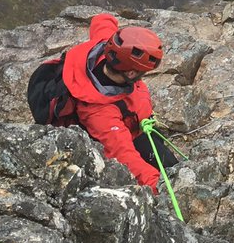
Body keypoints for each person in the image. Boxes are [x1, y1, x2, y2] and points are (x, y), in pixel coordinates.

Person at [28, 12, 176, 191]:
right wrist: (158, 187)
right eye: (141, 72)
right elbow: (124, 155)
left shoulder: (106, 47)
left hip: (138, 123)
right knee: (170, 168)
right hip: (133, 134)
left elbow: (101, 21)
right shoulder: (99, 113)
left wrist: (110, 18)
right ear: (131, 74)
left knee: (164, 157)